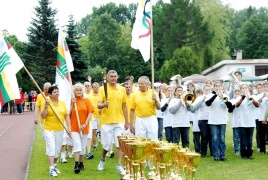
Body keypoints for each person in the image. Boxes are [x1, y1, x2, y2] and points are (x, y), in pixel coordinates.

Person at [97, 70, 128, 173]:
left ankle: (119, 165)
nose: (113, 78)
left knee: (119, 144)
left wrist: (127, 121)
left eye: (115, 76)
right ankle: (102, 159)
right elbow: (98, 105)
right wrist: (104, 105)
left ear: (117, 77)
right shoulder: (102, 89)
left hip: (119, 121)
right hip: (106, 121)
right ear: (108, 78)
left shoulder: (122, 89)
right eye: (111, 76)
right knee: (106, 145)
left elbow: (124, 106)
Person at [41, 86, 70, 177]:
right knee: (51, 148)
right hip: (49, 129)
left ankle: (54, 166)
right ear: (49, 94)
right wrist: (46, 106)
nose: (57, 93)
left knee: (57, 149)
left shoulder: (62, 103)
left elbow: (66, 115)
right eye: (54, 92)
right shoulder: (46, 102)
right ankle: (51, 169)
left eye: (57, 91)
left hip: (60, 129)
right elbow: (43, 116)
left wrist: (68, 127)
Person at [205, 81, 233, 161]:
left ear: (222, 87)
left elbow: (230, 107)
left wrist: (223, 98)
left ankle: (222, 155)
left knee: (222, 138)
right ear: (213, 87)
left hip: (223, 120)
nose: (218, 87)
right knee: (215, 139)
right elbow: (208, 103)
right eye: (216, 86)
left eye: (219, 86)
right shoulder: (210, 95)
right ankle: (216, 156)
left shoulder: (225, 95)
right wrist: (216, 95)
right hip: (213, 120)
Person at [70, 83, 93, 174]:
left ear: (82, 91)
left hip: (84, 126)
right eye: (77, 90)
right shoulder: (72, 101)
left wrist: (85, 123)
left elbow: (90, 113)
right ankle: (76, 164)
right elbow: (68, 114)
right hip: (74, 127)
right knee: (77, 144)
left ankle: (81, 163)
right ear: (74, 91)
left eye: (80, 90)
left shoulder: (86, 100)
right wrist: (72, 104)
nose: (78, 92)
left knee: (83, 147)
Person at [130, 76, 160, 140]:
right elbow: (132, 110)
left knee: (153, 140)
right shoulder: (135, 95)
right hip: (139, 120)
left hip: (151, 119)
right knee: (140, 140)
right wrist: (131, 124)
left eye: (142, 84)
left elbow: (158, 108)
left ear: (147, 84)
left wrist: (156, 100)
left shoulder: (153, 93)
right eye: (139, 83)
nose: (140, 85)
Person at [236, 84, 259, 159]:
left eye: (246, 88)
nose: (244, 89)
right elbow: (237, 105)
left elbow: (257, 105)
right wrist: (243, 97)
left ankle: (250, 154)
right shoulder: (239, 97)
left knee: (249, 139)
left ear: (248, 89)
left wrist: (250, 98)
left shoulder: (253, 97)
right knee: (243, 139)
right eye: (243, 88)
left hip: (250, 122)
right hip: (242, 122)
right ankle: (243, 154)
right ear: (241, 90)